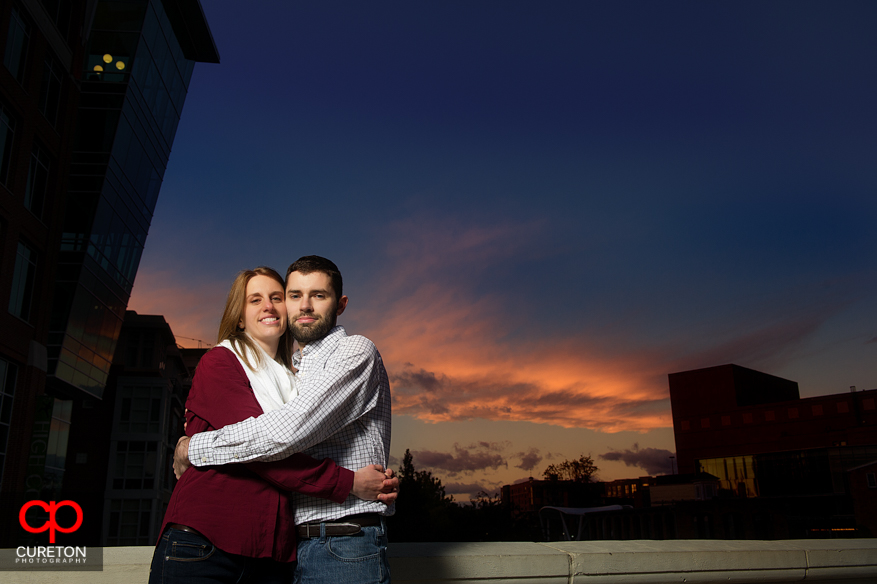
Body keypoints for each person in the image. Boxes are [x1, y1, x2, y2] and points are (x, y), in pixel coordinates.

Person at [149, 267, 396, 584]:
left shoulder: (297, 376)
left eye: (276, 297)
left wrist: (193, 446)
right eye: (255, 300)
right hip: (208, 542)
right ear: (239, 317)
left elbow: (284, 436)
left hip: (275, 554)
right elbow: (268, 451)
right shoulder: (221, 362)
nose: (268, 306)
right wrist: (348, 482)